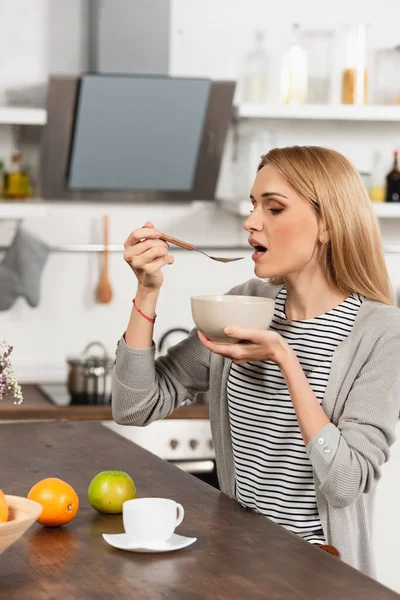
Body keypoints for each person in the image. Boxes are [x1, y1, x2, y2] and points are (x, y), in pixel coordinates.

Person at [112, 145, 400, 577]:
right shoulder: (244, 303)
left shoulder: (381, 332)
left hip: (319, 574)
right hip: (235, 564)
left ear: (327, 225)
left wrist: (285, 358)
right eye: (253, 204)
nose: (251, 221)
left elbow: (344, 484)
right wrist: (148, 290)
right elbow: (134, 407)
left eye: (274, 207)